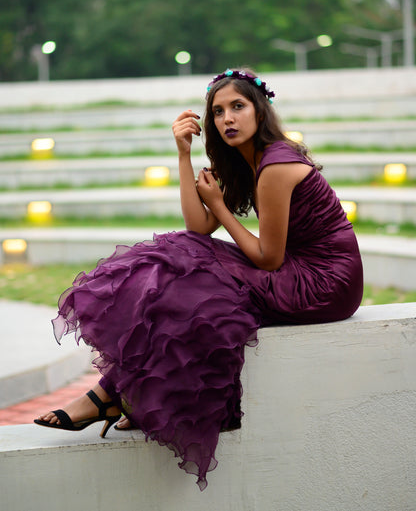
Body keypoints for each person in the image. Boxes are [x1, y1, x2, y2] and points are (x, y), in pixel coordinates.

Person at [34, 68, 363, 490]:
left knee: (192, 282)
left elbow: (267, 257)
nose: (227, 118)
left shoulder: (277, 164)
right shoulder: (246, 161)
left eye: (238, 107)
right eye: (218, 111)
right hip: (294, 269)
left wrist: (221, 208)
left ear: (260, 111)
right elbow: (198, 228)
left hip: (324, 282)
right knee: (179, 264)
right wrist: (184, 153)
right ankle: (121, 397)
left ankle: (109, 397)